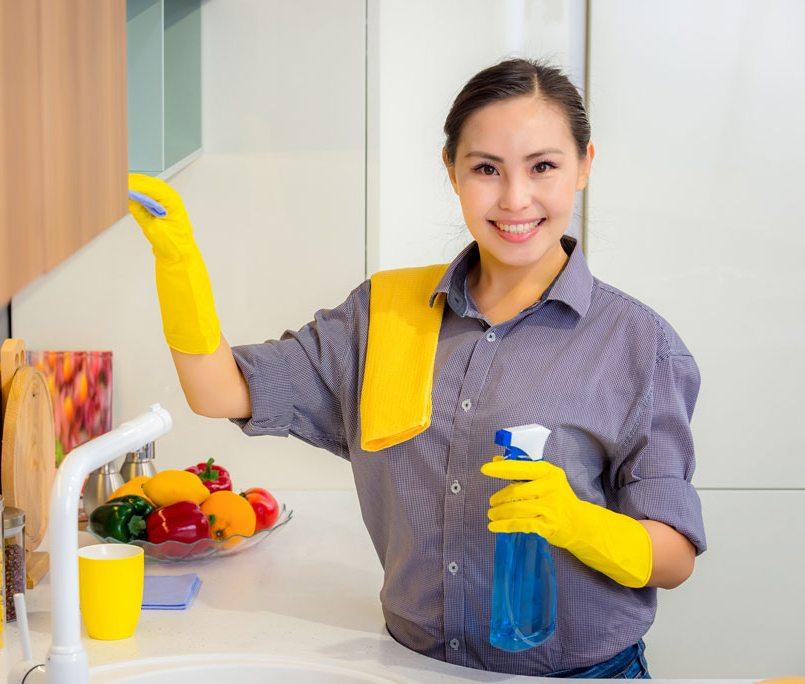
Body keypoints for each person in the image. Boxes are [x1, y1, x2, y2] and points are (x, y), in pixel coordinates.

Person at [126, 58, 706, 679]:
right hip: (412, 666)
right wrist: (177, 262)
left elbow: (673, 559)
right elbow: (220, 391)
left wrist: (579, 523)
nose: (515, 199)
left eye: (543, 166)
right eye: (486, 168)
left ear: (584, 165)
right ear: (451, 171)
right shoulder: (386, 316)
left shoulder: (638, 345)